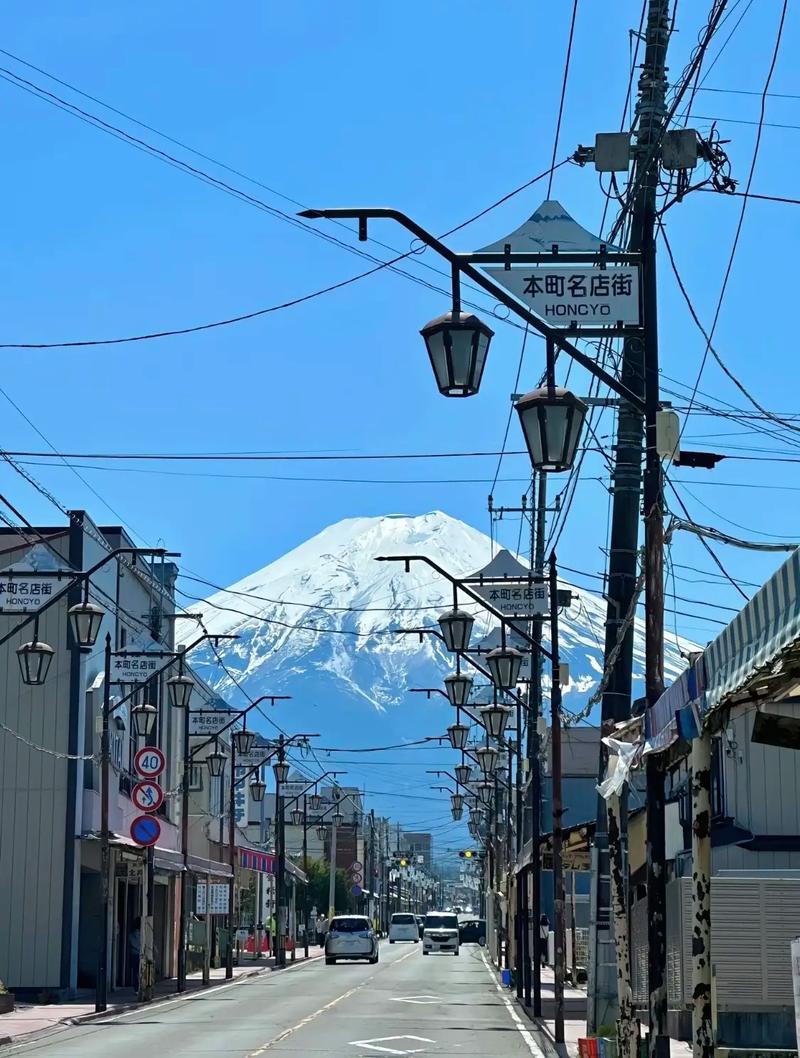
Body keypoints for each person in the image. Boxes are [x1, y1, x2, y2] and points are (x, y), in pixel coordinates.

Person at [128, 917, 141, 990]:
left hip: (134, 954)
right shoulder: (143, 934)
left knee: (135, 972)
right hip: (141, 954)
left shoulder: (131, 935)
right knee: (140, 971)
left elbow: (131, 943)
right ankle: (140, 987)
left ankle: (136, 987)